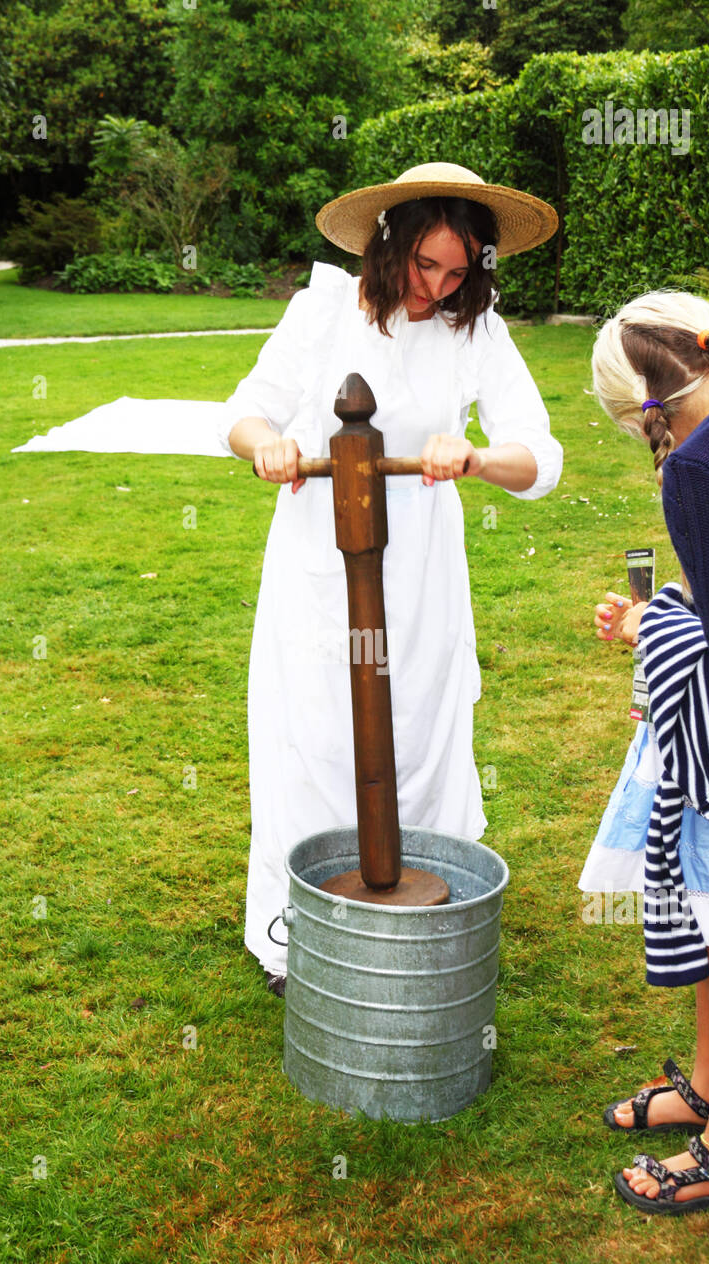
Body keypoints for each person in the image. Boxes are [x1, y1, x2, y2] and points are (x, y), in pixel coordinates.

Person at [217, 162, 563, 994]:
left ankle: (422, 914)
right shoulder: (323, 309)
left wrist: (476, 456)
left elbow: (539, 456)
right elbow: (244, 411)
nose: (438, 287)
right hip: (316, 553)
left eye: (457, 271)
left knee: (415, 721)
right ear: (390, 244)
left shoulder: (476, 330)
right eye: (425, 266)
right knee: (317, 729)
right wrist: (265, 444)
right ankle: (298, 930)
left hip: (418, 568)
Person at [583, 290, 709, 1213]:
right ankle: (708, 1088)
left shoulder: (698, 470)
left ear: (644, 410)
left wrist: (657, 625)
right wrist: (671, 614)